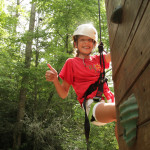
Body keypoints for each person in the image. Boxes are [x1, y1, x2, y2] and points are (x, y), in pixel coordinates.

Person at [45, 24, 118, 141]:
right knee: (121, 110)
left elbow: (117, 53)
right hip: (93, 106)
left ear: (94, 44)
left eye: (90, 40)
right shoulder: (71, 63)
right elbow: (63, 94)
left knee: (132, 112)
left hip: (110, 99)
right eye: (82, 40)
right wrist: (55, 80)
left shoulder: (98, 59)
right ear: (75, 44)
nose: (86, 43)